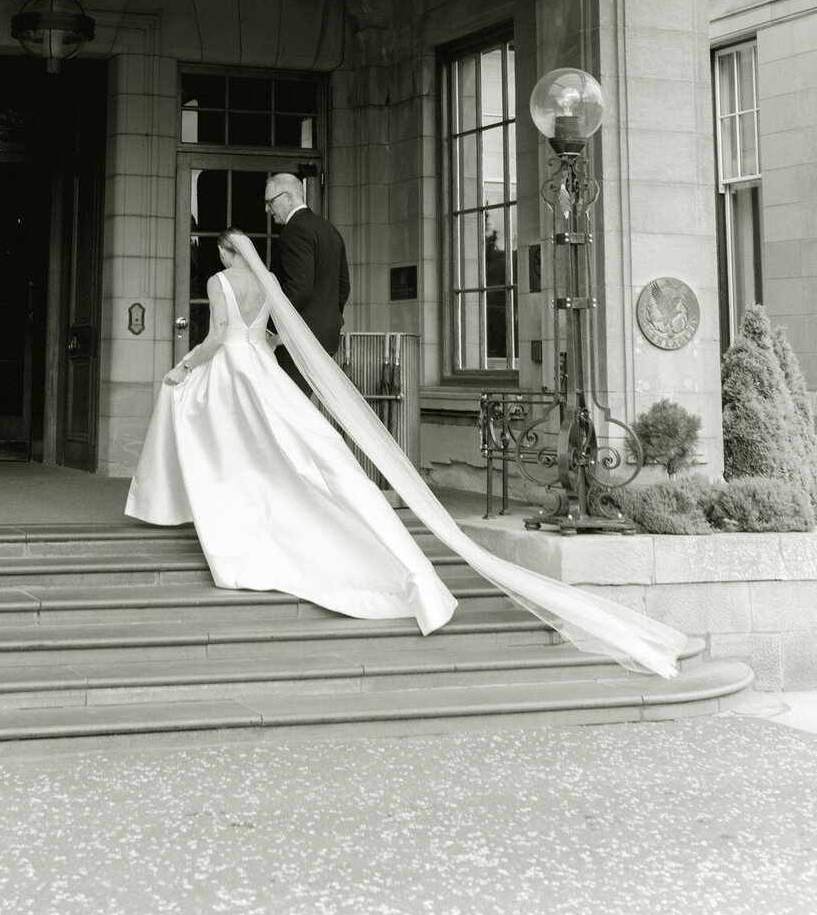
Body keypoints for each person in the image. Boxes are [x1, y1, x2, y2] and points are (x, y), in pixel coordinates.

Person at [126, 229, 689, 679]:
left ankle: (200, 503)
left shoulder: (222, 282)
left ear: (226, 253)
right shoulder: (267, 280)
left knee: (199, 418)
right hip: (263, 369)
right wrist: (260, 344)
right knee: (295, 449)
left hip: (230, 370)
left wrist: (182, 366)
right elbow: (273, 335)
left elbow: (213, 339)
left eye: (224, 251)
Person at [264, 173, 349, 395]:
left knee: (290, 410)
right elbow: (343, 288)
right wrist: (326, 319)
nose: (267, 209)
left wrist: (271, 329)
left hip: (297, 342)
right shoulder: (330, 230)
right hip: (326, 339)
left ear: (289, 197)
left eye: (270, 202)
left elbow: (299, 290)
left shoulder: (294, 230)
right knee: (301, 409)